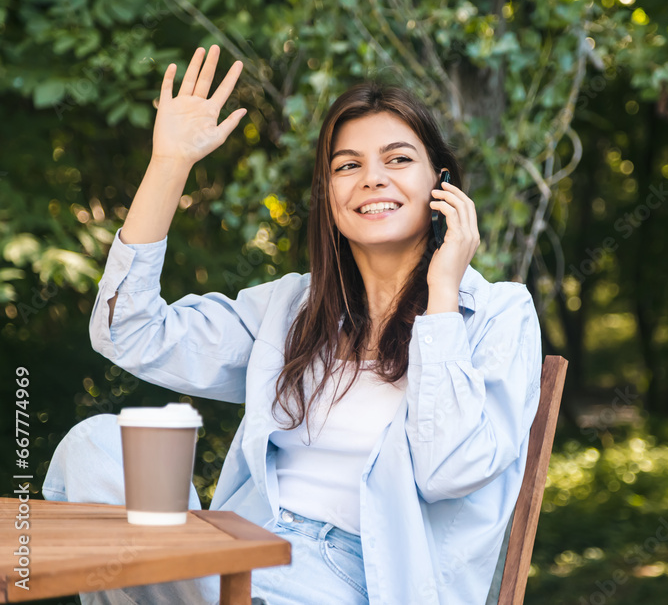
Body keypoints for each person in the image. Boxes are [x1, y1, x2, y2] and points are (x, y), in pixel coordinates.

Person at [42, 44, 543, 605]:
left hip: (361, 578)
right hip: (242, 551)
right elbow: (128, 331)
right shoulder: (293, 309)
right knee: (97, 444)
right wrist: (170, 164)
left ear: (441, 185)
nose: (372, 179)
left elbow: (450, 470)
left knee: (137, 568)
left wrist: (443, 292)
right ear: (329, 197)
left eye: (398, 160)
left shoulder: (497, 313)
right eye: (348, 165)